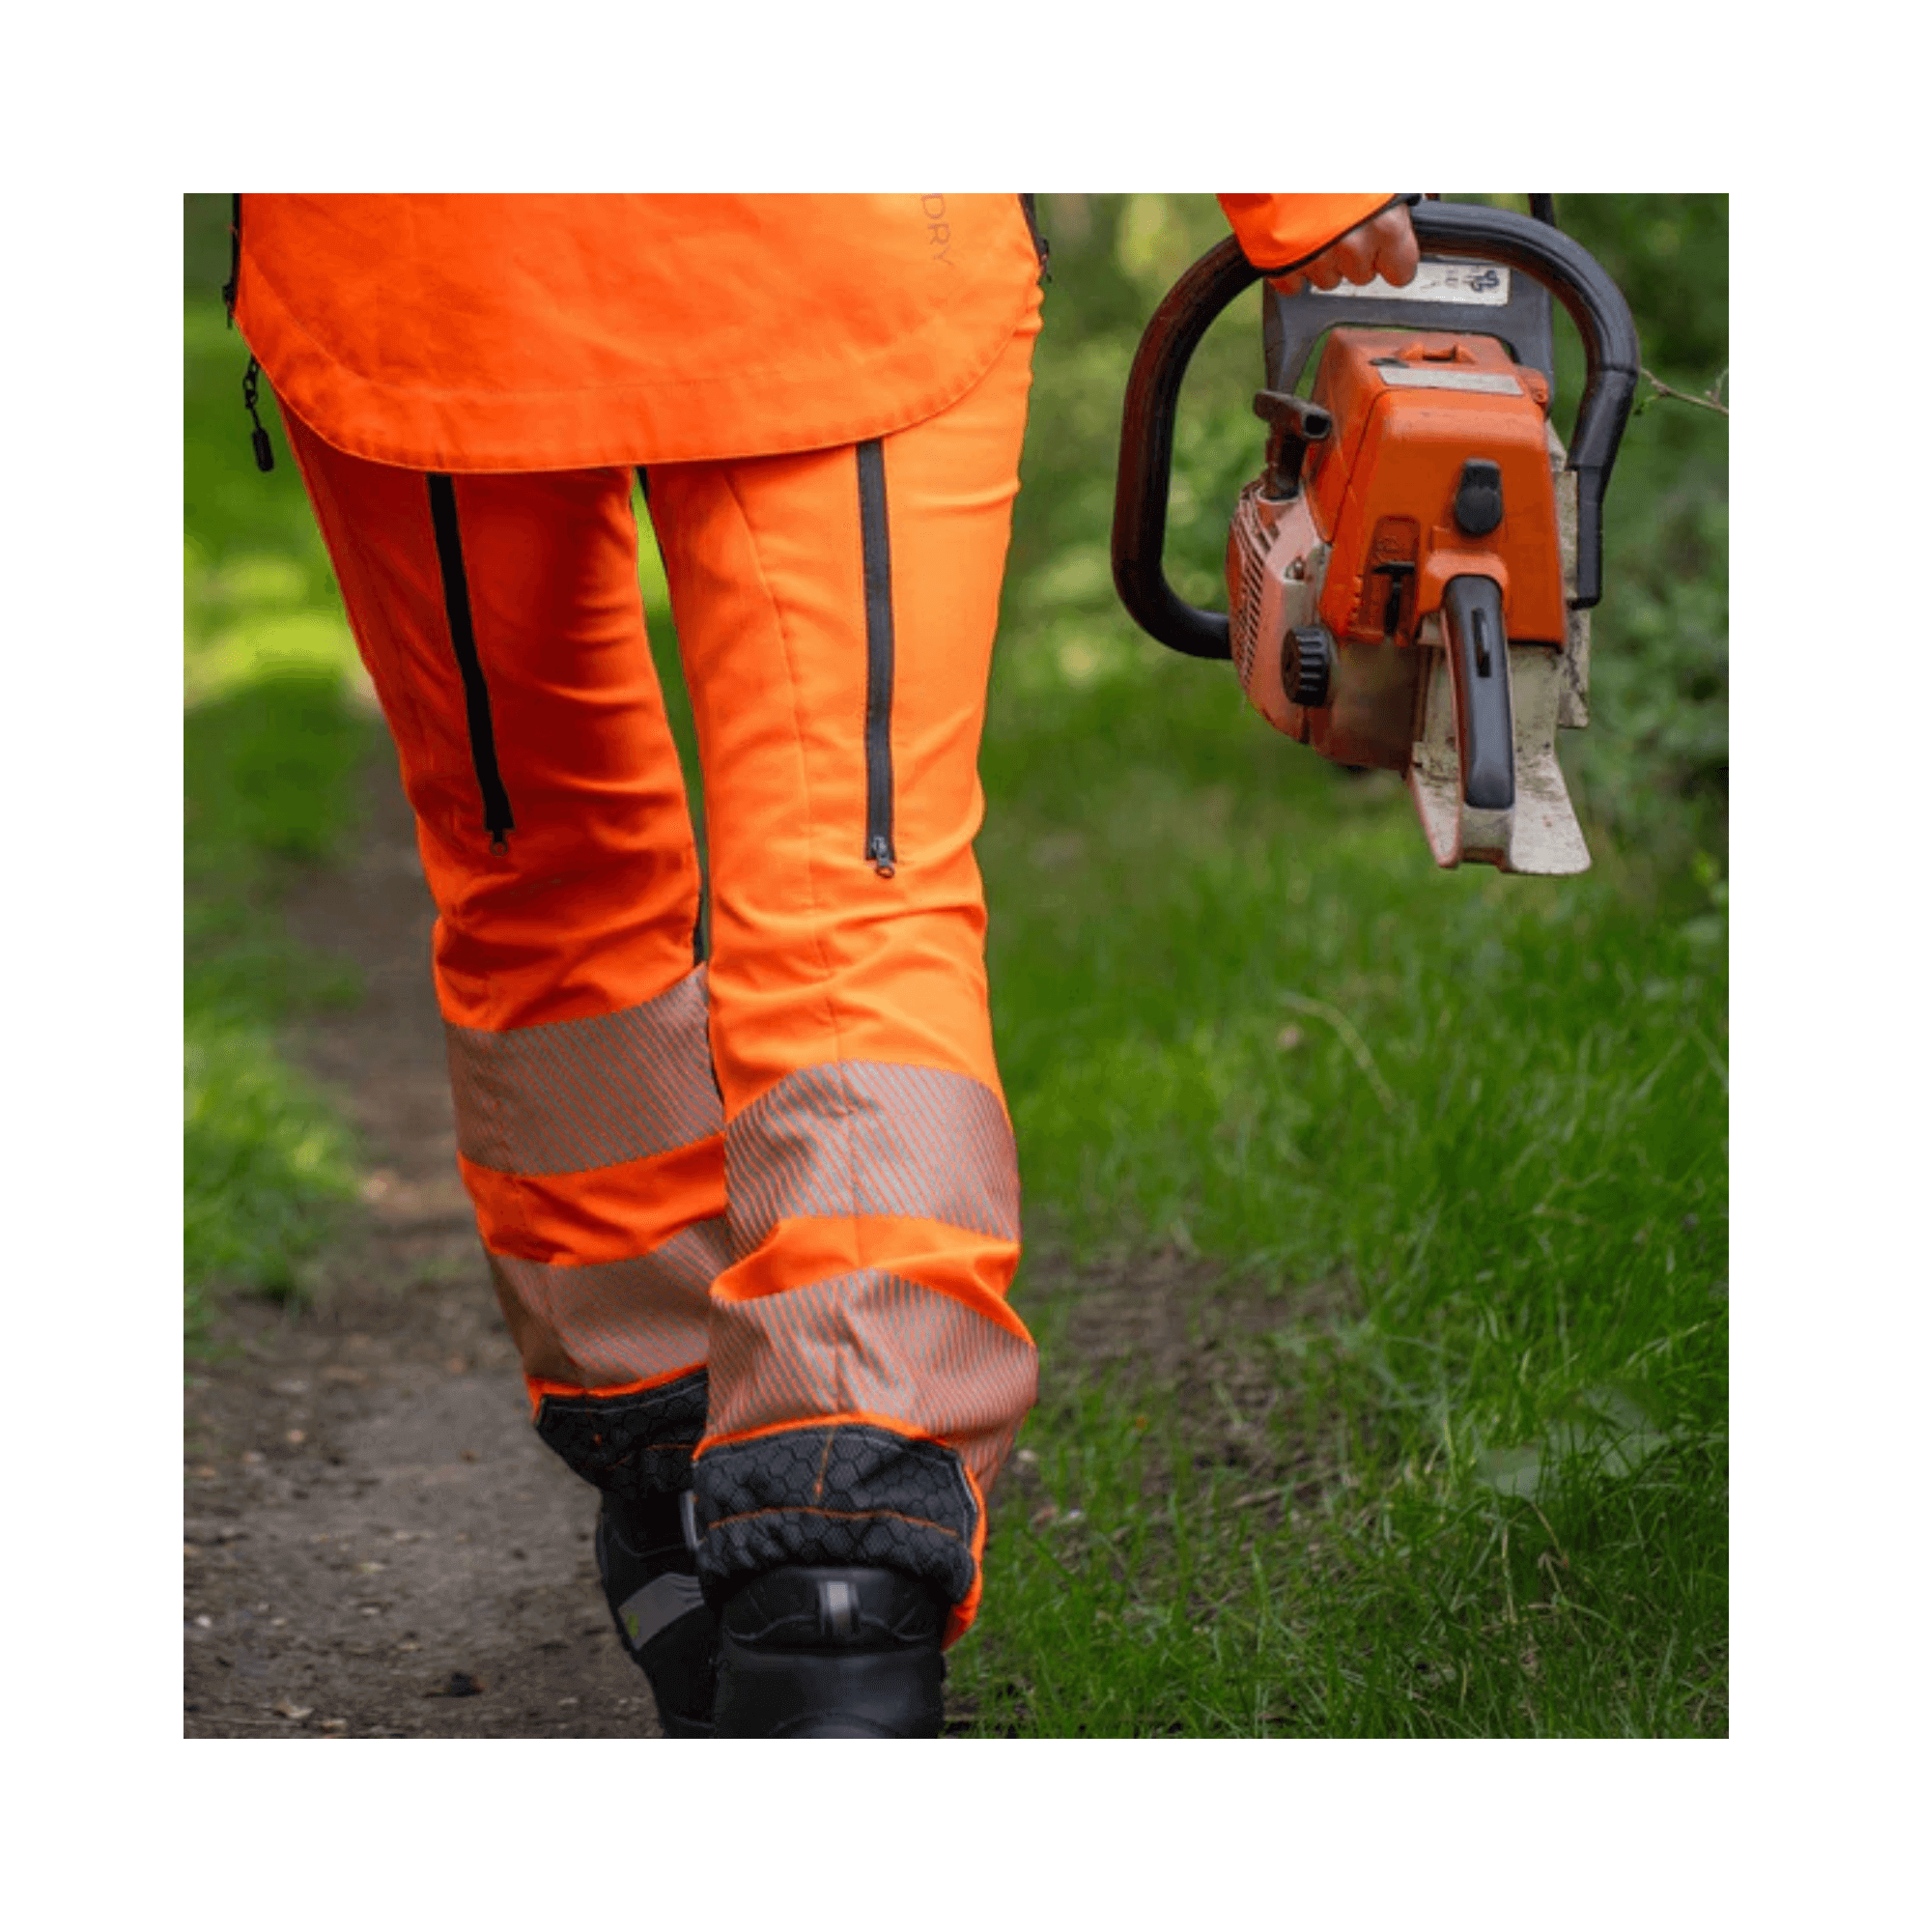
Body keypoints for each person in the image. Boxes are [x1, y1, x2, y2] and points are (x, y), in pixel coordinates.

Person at [227, 192, 1418, 1738]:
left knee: (546, 872)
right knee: (856, 876)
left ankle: (664, 1464)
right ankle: (838, 1573)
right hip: (834, 240)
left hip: (425, 258)